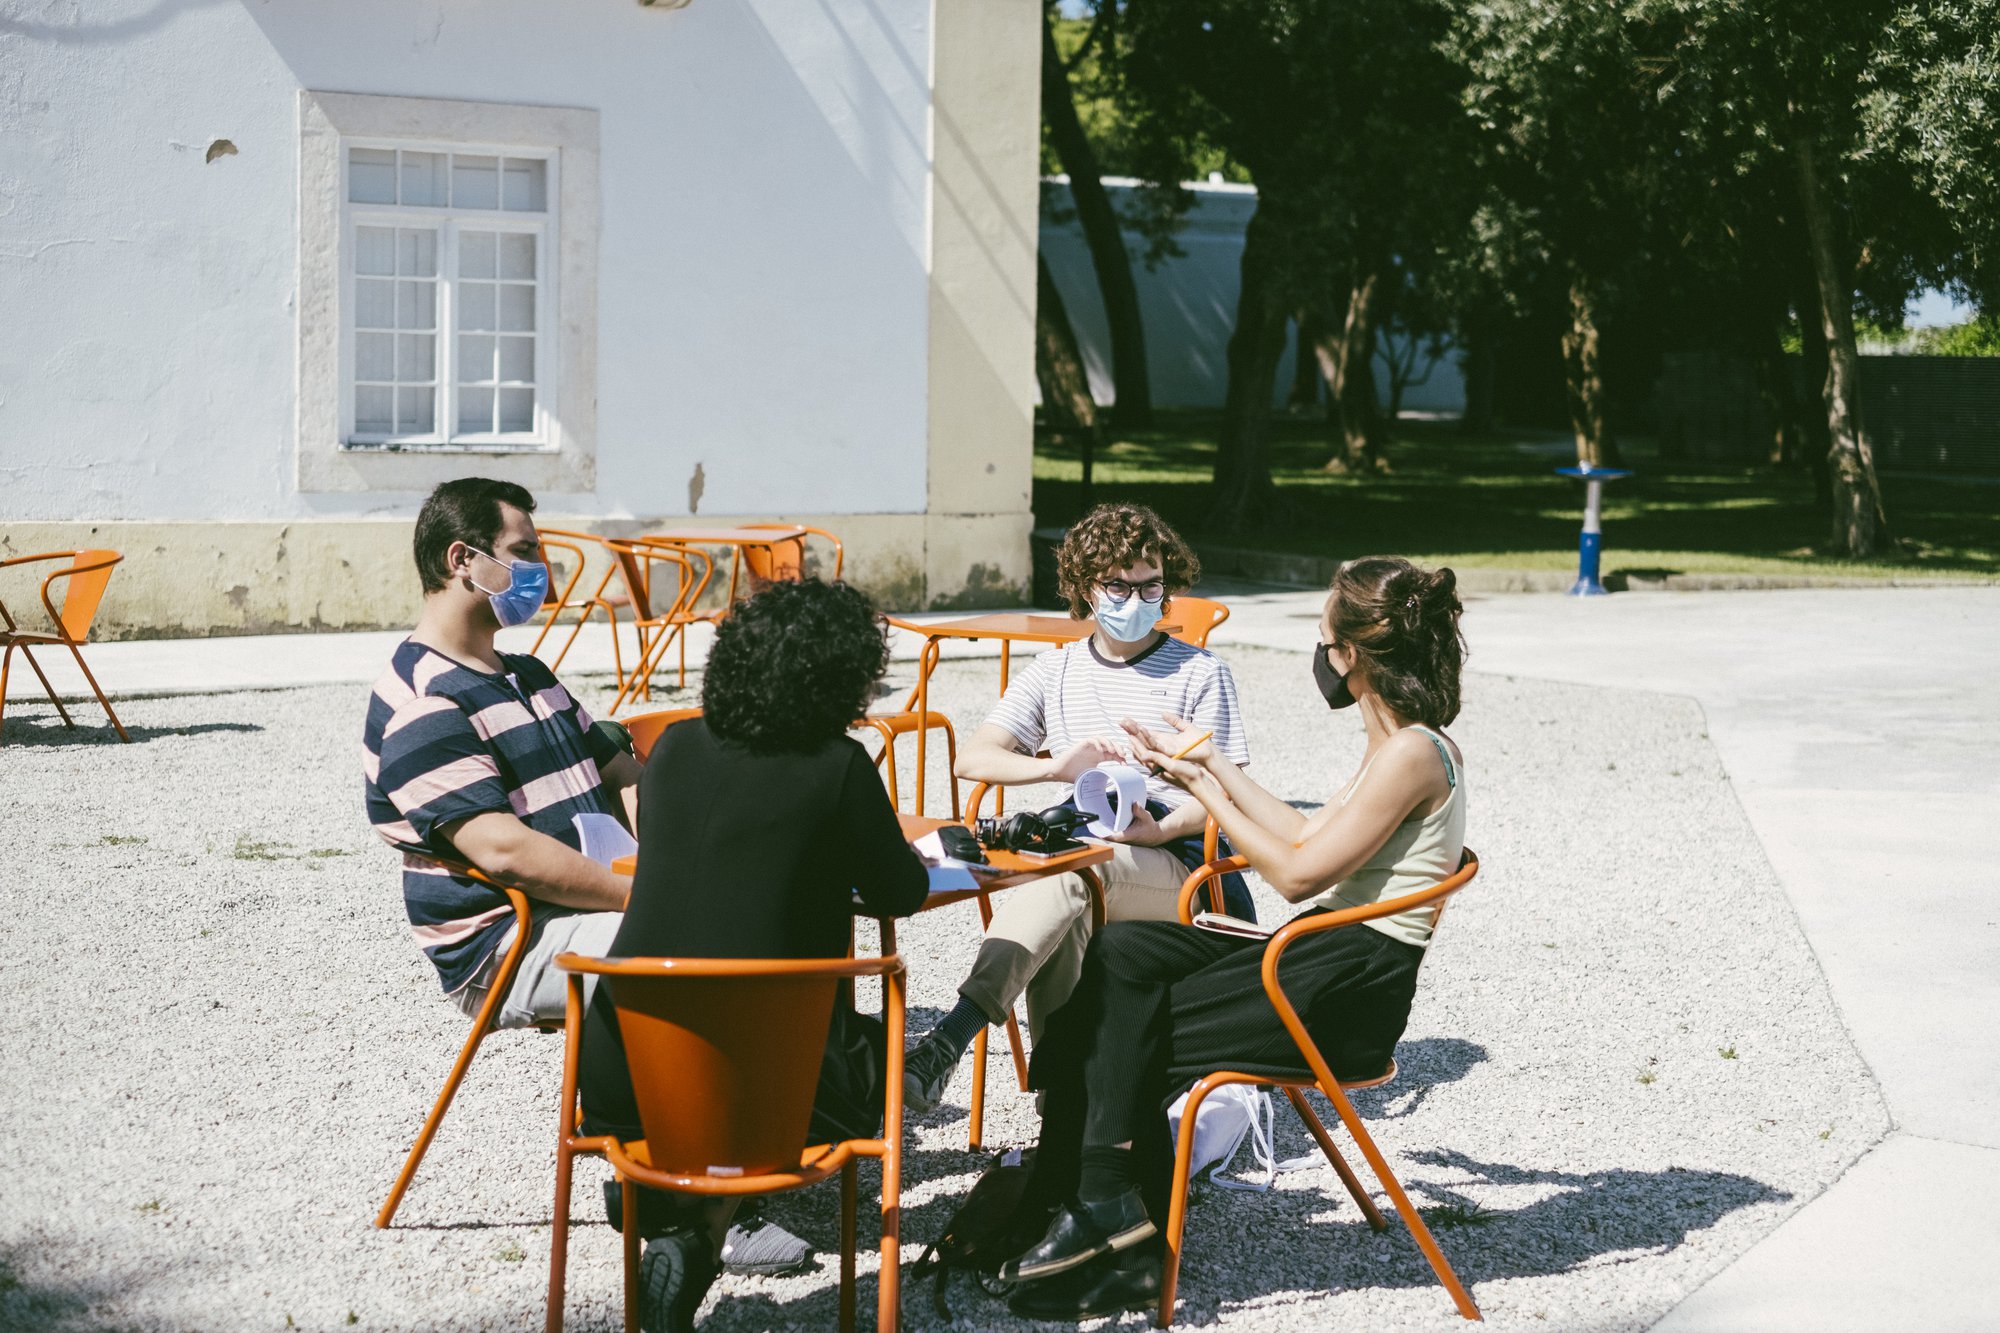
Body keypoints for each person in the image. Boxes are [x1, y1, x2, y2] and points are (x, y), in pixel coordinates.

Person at [994, 556, 1469, 1321]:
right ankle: (1104, 1201)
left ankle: (1102, 1209)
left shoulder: (1412, 752)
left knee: (1126, 1019)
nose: (1319, 654)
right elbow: (1306, 829)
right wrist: (1205, 763)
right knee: (1124, 951)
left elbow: (1297, 874)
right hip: (1319, 955)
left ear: (1352, 655)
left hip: (1346, 984)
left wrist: (1205, 790)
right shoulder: (1395, 744)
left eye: (1323, 638)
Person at [577, 578, 929, 1333]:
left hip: (622, 1055)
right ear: (840, 676)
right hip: (763, 1077)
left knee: (744, 1046)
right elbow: (901, 889)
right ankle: (695, 1220)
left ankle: (677, 1208)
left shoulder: (671, 749)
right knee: (859, 1061)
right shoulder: (839, 766)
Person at [900, 503, 1254, 1114]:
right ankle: (1067, 1104)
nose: (1135, 598)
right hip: (1087, 855)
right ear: (1084, 588)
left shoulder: (1200, 671)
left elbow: (1228, 798)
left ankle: (951, 1042)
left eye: (1150, 585)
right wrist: (1054, 767)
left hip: (1182, 866)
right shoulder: (1056, 668)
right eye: (1118, 585)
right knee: (1070, 887)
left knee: (1070, 873)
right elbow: (975, 758)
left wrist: (1160, 827)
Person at [363, 477, 639, 1031]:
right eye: (524, 552)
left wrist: (670, 859)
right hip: (509, 944)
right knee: (706, 938)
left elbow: (623, 773)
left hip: (581, 909)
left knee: (743, 918)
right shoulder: (422, 699)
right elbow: (503, 852)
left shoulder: (529, 675)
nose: (541, 572)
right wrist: (640, 895)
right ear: (463, 559)